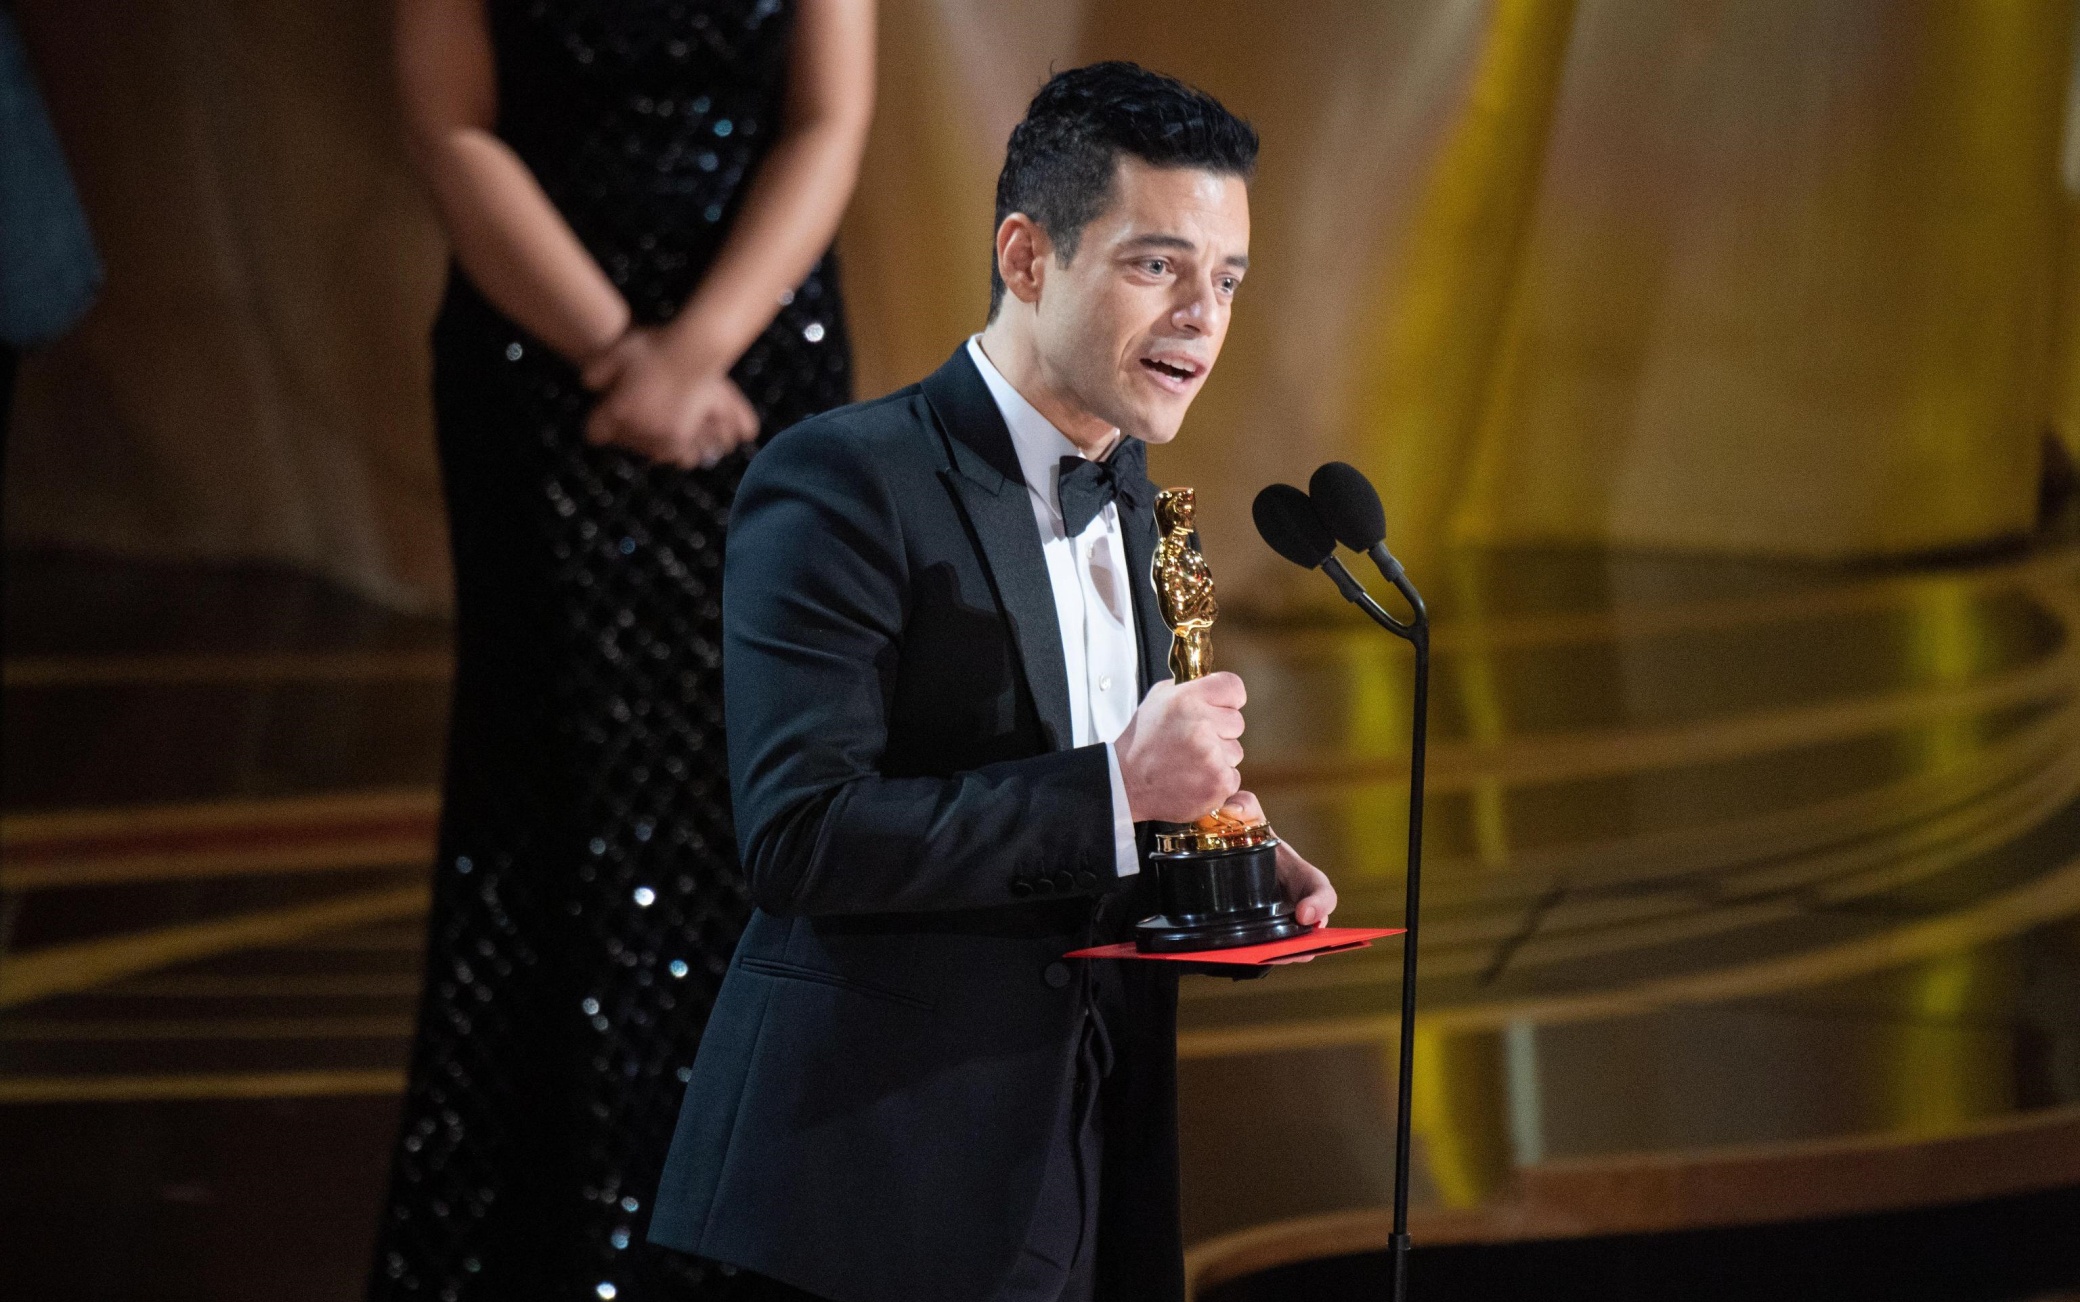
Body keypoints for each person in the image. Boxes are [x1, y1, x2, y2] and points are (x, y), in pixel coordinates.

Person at [648, 62, 1338, 1302]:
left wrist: (1219, 848)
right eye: (1155, 264)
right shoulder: (840, 483)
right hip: (867, 1189)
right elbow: (800, 838)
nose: (1201, 315)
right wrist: (1121, 797)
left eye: (1226, 277)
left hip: (1077, 1154)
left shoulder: (1129, 493)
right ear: (1026, 257)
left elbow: (1076, 796)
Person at [373, 3, 873, 1300]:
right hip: (541, 365)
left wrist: (698, 349)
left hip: (765, 358)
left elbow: (829, 119)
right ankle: (562, 1243)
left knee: (765, 785)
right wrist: (617, 353)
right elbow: (450, 124)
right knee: (558, 794)